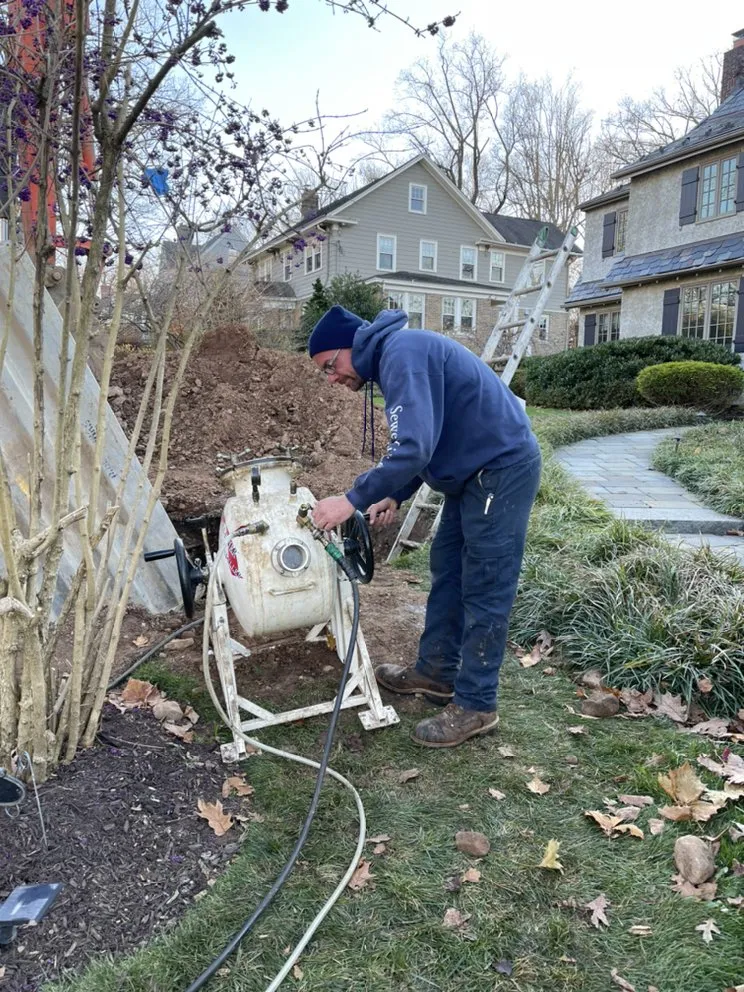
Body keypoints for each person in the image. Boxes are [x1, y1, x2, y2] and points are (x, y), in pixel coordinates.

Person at [309, 304, 541, 748]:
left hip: (501, 468)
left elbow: (412, 446)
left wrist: (351, 499)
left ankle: (476, 704)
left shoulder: (402, 353)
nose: (332, 378)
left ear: (349, 346)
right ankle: (435, 673)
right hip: (472, 473)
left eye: (329, 366)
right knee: (448, 571)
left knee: (485, 583)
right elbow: (428, 437)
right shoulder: (395, 355)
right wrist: (396, 492)